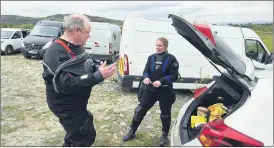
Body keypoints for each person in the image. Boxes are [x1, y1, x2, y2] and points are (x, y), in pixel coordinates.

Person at [42, 14, 116, 147]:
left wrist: (95, 68)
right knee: (83, 136)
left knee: (76, 134)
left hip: (77, 101)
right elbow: (66, 84)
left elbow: (80, 66)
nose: (89, 36)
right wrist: (97, 76)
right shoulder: (55, 52)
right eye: (87, 32)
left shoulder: (75, 46)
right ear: (77, 30)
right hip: (64, 104)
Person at [122, 37, 179, 146]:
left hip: (165, 90)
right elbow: (146, 71)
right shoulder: (151, 58)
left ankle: (164, 135)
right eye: (156, 45)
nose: (157, 47)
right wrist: (146, 78)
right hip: (151, 89)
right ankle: (132, 131)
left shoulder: (172, 59)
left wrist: (161, 81)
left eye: (160, 45)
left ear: (166, 46)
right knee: (139, 110)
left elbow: (174, 76)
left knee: (165, 114)